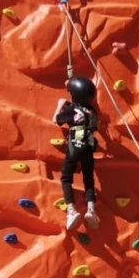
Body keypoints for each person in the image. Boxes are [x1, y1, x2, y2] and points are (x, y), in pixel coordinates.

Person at [55, 76, 101, 231]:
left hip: (76, 142)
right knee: (89, 179)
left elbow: (56, 120)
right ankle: (91, 210)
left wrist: (60, 105)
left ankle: (72, 211)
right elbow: (94, 126)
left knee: (66, 177)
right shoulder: (93, 111)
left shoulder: (71, 110)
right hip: (88, 144)